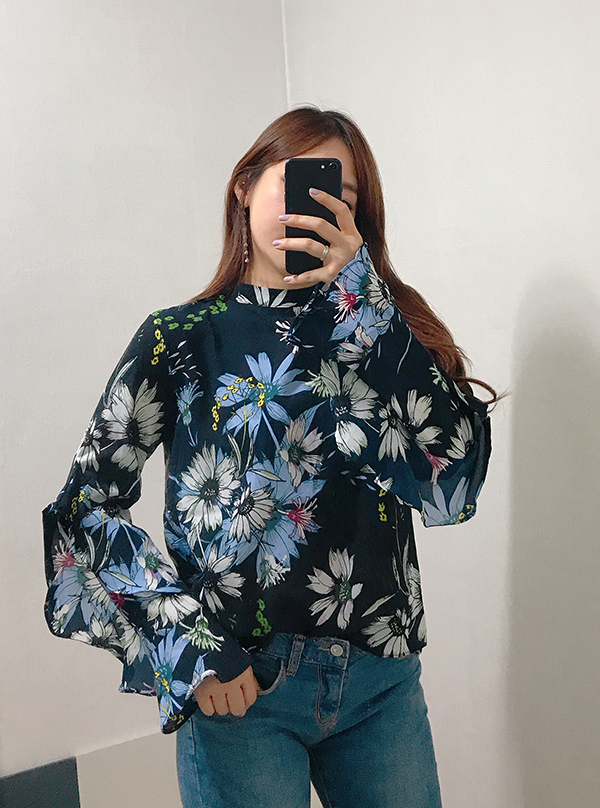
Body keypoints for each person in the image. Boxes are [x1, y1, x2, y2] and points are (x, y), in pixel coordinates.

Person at [43, 106, 493, 808]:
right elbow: (83, 510)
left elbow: (453, 485)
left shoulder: (384, 325)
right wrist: (190, 646)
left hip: (380, 682)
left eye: (339, 198)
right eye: (297, 181)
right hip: (240, 689)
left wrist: (367, 310)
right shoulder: (180, 339)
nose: (315, 208)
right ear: (244, 186)